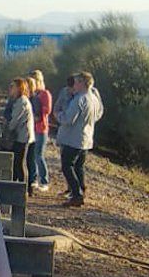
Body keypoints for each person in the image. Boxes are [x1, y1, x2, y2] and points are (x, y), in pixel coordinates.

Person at [57, 71, 104, 207]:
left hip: (74, 139)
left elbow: (68, 118)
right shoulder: (94, 98)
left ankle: (77, 194)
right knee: (79, 166)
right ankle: (80, 190)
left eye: (77, 82)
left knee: (67, 166)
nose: (74, 84)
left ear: (83, 83)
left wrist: (59, 115)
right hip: (87, 138)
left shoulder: (79, 99)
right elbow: (98, 114)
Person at [27, 70, 53, 192]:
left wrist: (38, 111)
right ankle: (34, 179)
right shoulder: (33, 95)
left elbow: (47, 110)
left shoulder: (44, 94)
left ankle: (44, 180)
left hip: (41, 128)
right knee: (33, 155)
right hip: (33, 128)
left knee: (39, 155)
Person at [6, 78, 34, 187]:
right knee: (18, 162)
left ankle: (23, 188)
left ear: (19, 88)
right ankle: (20, 186)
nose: (10, 89)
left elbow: (14, 120)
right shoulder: (21, 100)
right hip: (22, 136)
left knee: (19, 163)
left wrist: (8, 129)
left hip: (22, 137)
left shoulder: (21, 102)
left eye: (12, 87)